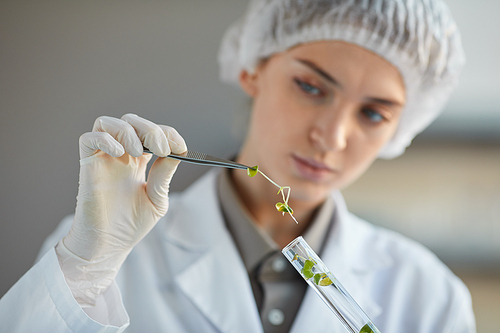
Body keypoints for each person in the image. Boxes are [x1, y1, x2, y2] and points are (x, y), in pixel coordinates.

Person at [0, 0, 476, 332]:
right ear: (253, 69)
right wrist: (86, 272)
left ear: (401, 128)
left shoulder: (427, 295)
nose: (331, 137)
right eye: (311, 87)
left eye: (373, 113)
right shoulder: (104, 256)